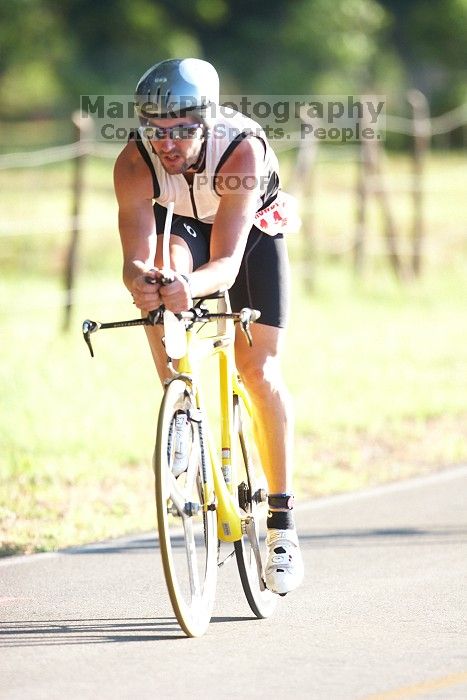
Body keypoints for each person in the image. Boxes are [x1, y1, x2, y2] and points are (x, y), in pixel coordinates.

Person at [114, 57, 304, 595]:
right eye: (155, 129)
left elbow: (226, 262)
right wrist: (148, 281)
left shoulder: (243, 150)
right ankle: (180, 406)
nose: (167, 143)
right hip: (188, 228)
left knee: (258, 368)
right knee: (159, 272)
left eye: (182, 130)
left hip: (250, 232)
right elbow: (134, 256)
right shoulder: (133, 162)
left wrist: (191, 288)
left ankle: (282, 523)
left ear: (208, 120)